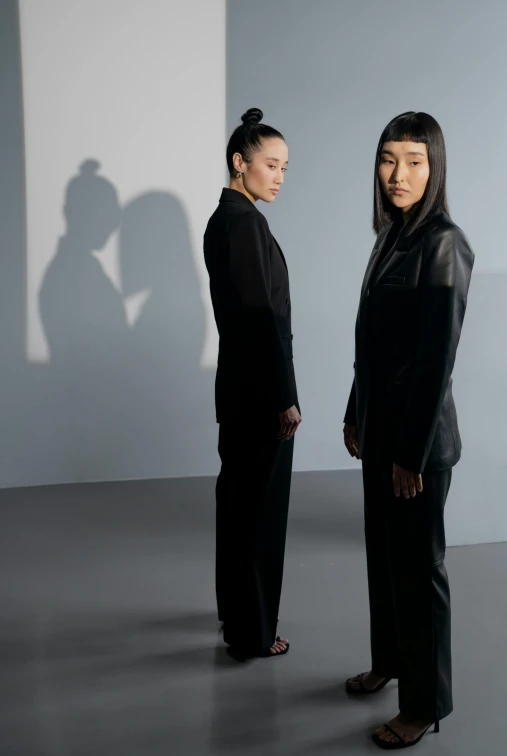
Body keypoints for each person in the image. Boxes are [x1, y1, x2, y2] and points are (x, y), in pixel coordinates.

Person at [343, 112, 474, 749]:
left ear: (435, 167)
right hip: (379, 431)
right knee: (383, 559)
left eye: (415, 162)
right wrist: (353, 411)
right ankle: (390, 662)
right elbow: (373, 342)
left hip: (416, 446)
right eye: (389, 159)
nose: (399, 174)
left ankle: (424, 705)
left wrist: (410, 453)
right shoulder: (391, 235)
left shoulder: (443, 243)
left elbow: (435, 358)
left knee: (420, 573)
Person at [204, 108, 301, 658]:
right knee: (259, 515)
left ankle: (238, 620)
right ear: (240, 163)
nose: (280, 176)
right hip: (260, 395)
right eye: (271, 164)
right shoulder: (245, 224)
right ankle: (254, 631)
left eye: (285, 166)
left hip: (240, 390)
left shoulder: (227, 219)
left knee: (239, 507)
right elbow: (261, 317)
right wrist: (285, 398)